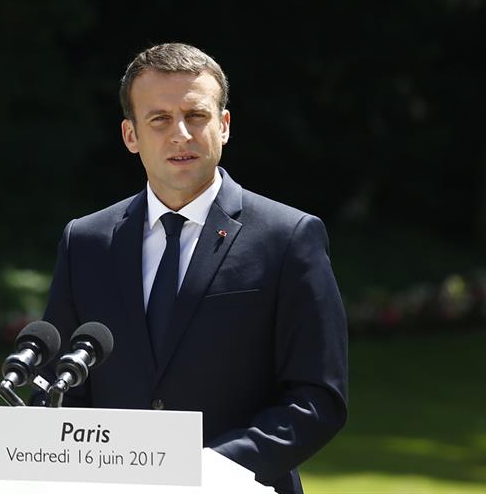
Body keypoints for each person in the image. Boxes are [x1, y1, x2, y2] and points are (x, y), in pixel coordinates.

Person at [40, 43, 347, 494]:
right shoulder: (86, 241)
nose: (180, 133)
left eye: (196, 115)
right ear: (131, 135)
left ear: (223, 126)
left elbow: (317, 397)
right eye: (159, 119)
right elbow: (62, 385)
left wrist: (205, 472)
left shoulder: (288, 237)